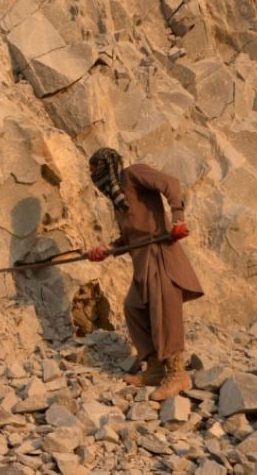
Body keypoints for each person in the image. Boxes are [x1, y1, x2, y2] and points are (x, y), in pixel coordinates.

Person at [86, 147, 204, 401]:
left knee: (165, 312)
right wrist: (107, 250)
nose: (94, 175)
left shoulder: (133, 174)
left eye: (97, 168)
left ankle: (178, 374)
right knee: (134, 308)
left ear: (109, 166)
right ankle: (154, 368)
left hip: (160, 255)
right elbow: (130, 239)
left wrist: (178, 218)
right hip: (142, 262)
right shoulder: (119, 203)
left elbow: (170, 183)